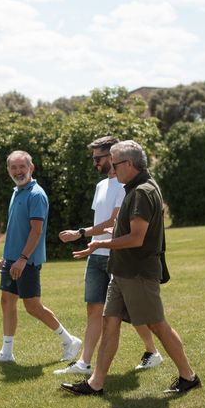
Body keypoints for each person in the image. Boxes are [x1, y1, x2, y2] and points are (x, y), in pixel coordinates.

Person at [61, 140, 201, 395]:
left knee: (157, 325)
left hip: (138, 273)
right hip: (122, 272)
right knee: (109, 323)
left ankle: (189, 377)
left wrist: (98, 246)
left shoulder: (141, 193)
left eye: (114, 164)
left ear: (129, 164)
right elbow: (123, 227)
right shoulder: (133, 188)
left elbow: (136, 238)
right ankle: (95, 383)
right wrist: (94, 236)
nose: (111, 170)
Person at [54, 136, 163, 376]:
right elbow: (100, 220)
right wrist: (91, 242)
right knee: (95, 310)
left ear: (113, 156)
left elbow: (113, 222)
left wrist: (81, 233)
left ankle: (152, 351)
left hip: (116, 254)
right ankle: (84, 363)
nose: (96, 163)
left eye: (99, 158)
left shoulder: (127, 186)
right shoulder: (101, 186)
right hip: (96, 254)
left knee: (134, 312)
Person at [0, 150, 82, 364]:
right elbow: (15, 229)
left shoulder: (36, 194)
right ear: (8, 169)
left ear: (31, 168)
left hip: (26, 260)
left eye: (22, 167)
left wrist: (22, 259)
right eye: (14, 167)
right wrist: (6, 256)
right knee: (7, 301)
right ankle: (7, 353)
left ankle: (69, 340)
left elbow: (36, 231)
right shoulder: (17, 191)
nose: (18, 171)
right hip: (13, 258)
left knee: (33, 306)